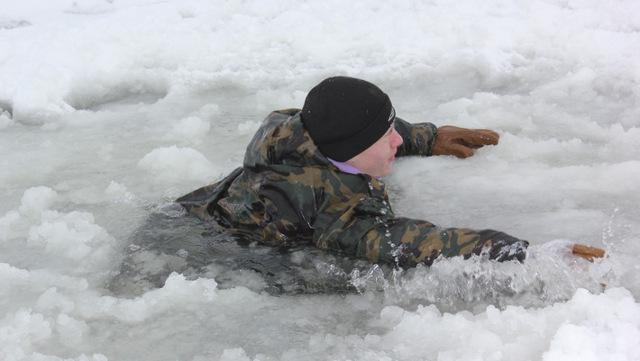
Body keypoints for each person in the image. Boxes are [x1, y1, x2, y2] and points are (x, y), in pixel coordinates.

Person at [177, 76, 529, 268]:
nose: (396, 141)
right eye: (386, 136)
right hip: (198, 252)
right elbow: (416, 243)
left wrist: (428, 137)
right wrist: (522, 252)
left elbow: (363, 130)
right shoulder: (336, 210)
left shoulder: (297, 134)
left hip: (197, 207)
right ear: (351, 150)